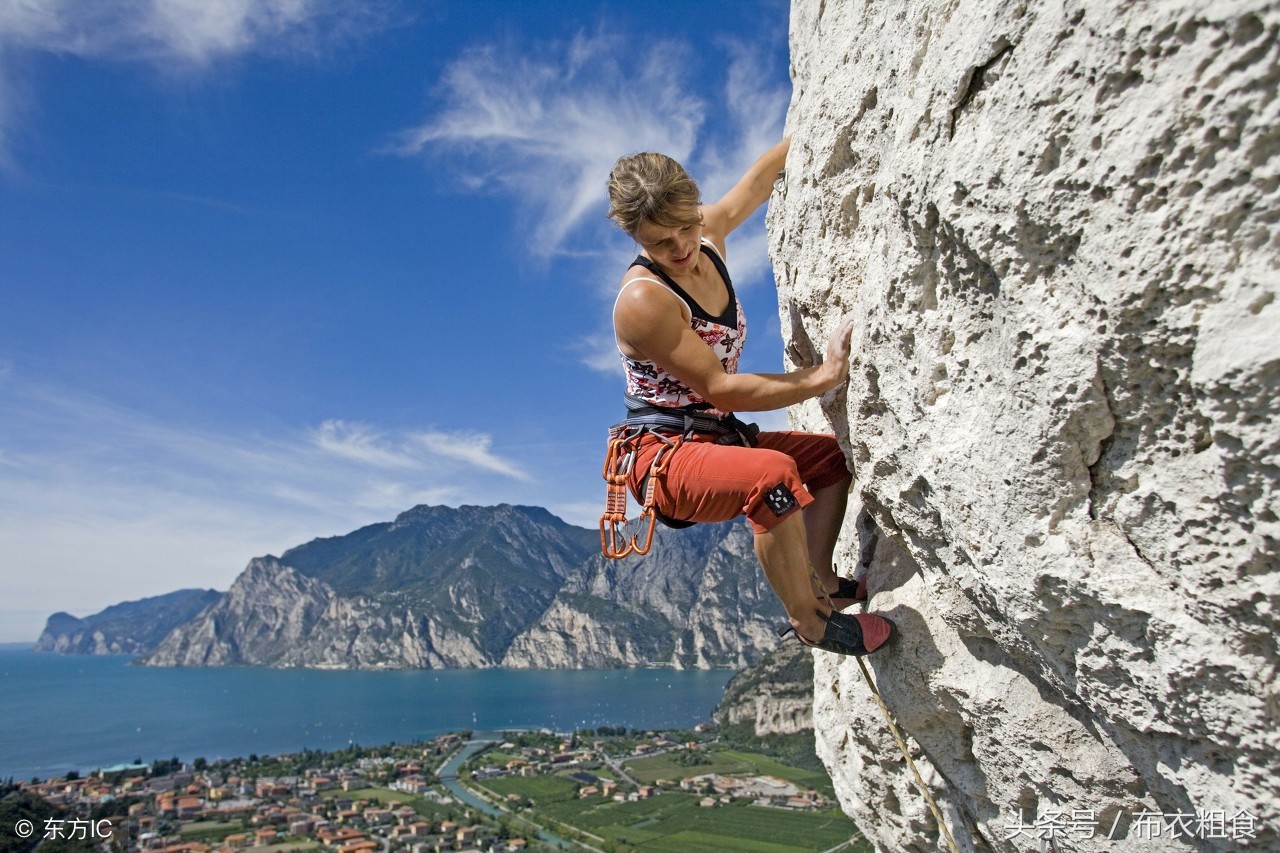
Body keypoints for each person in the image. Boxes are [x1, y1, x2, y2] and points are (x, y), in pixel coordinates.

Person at [604, 138, 895, 657]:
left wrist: (808, 128)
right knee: (772, 475)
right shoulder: (644, 300)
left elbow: (758, 181)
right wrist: (824, 375)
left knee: (830, 461)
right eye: (658, 242)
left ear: (695, 207)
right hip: (664, 458)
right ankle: (810, 621)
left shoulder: (708, 232)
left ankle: (823, 579)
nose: (679, 248)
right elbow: (719, 388)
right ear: (636, 239)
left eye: (686, 227)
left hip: (717, 436)